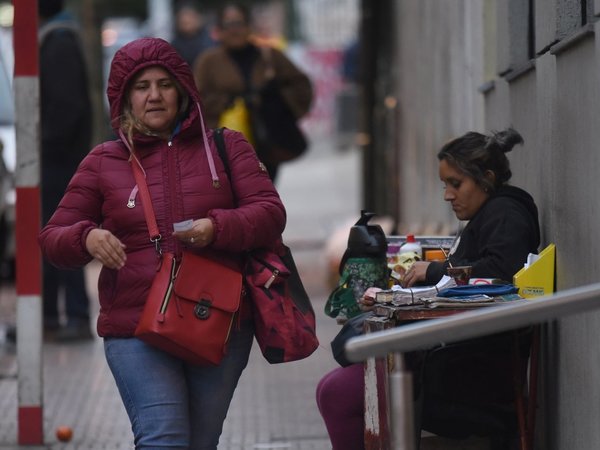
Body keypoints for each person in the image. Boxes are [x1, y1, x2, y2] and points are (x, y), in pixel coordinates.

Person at [38, 37, 286, 448]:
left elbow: (270, 212)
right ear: (124, 98)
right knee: (164, 438)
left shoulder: (225, 147)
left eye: (165, 84)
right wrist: (88, 237)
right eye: (141, 86)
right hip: (135, 325)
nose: (154, 95)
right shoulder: (102, 161)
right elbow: (52, 239)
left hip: (217, 318)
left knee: (200, 441)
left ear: (184, 91)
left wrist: (216, 227)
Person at [316, 128, 540, 449]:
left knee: (336, 394)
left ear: (487, 178)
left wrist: (433, 271)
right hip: (451, 357)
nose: (448, 195)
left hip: (469, 369)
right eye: (444, 185)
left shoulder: (506, 214)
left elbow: (500, 273)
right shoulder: (489, 215)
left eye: (456, 184)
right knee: (332, 389)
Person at [193, 3, 313, 182]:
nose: (235, 30)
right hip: (225, 146)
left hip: (267, 143)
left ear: (249, 26)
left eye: (239, 23)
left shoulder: (270, 55)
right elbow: (196, 98)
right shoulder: (208, 61)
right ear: (219, 29)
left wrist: (275, 98)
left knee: (264, 194)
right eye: (228, 24)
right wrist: (227, 102)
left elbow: (301, 86)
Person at [38, 0, 93, 341]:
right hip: (60, 156)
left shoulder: (58, 41)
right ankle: (48, 316)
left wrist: (45, 145)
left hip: (60, 160)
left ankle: (74, 315)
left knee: (64, 235)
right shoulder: (59, 36)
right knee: (53, 235)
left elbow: (67, 107)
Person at [170, 2, 216, 68]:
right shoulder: (175, 44)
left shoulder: (208, 39)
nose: (186, 22)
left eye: (189, 20)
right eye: (183, 22)